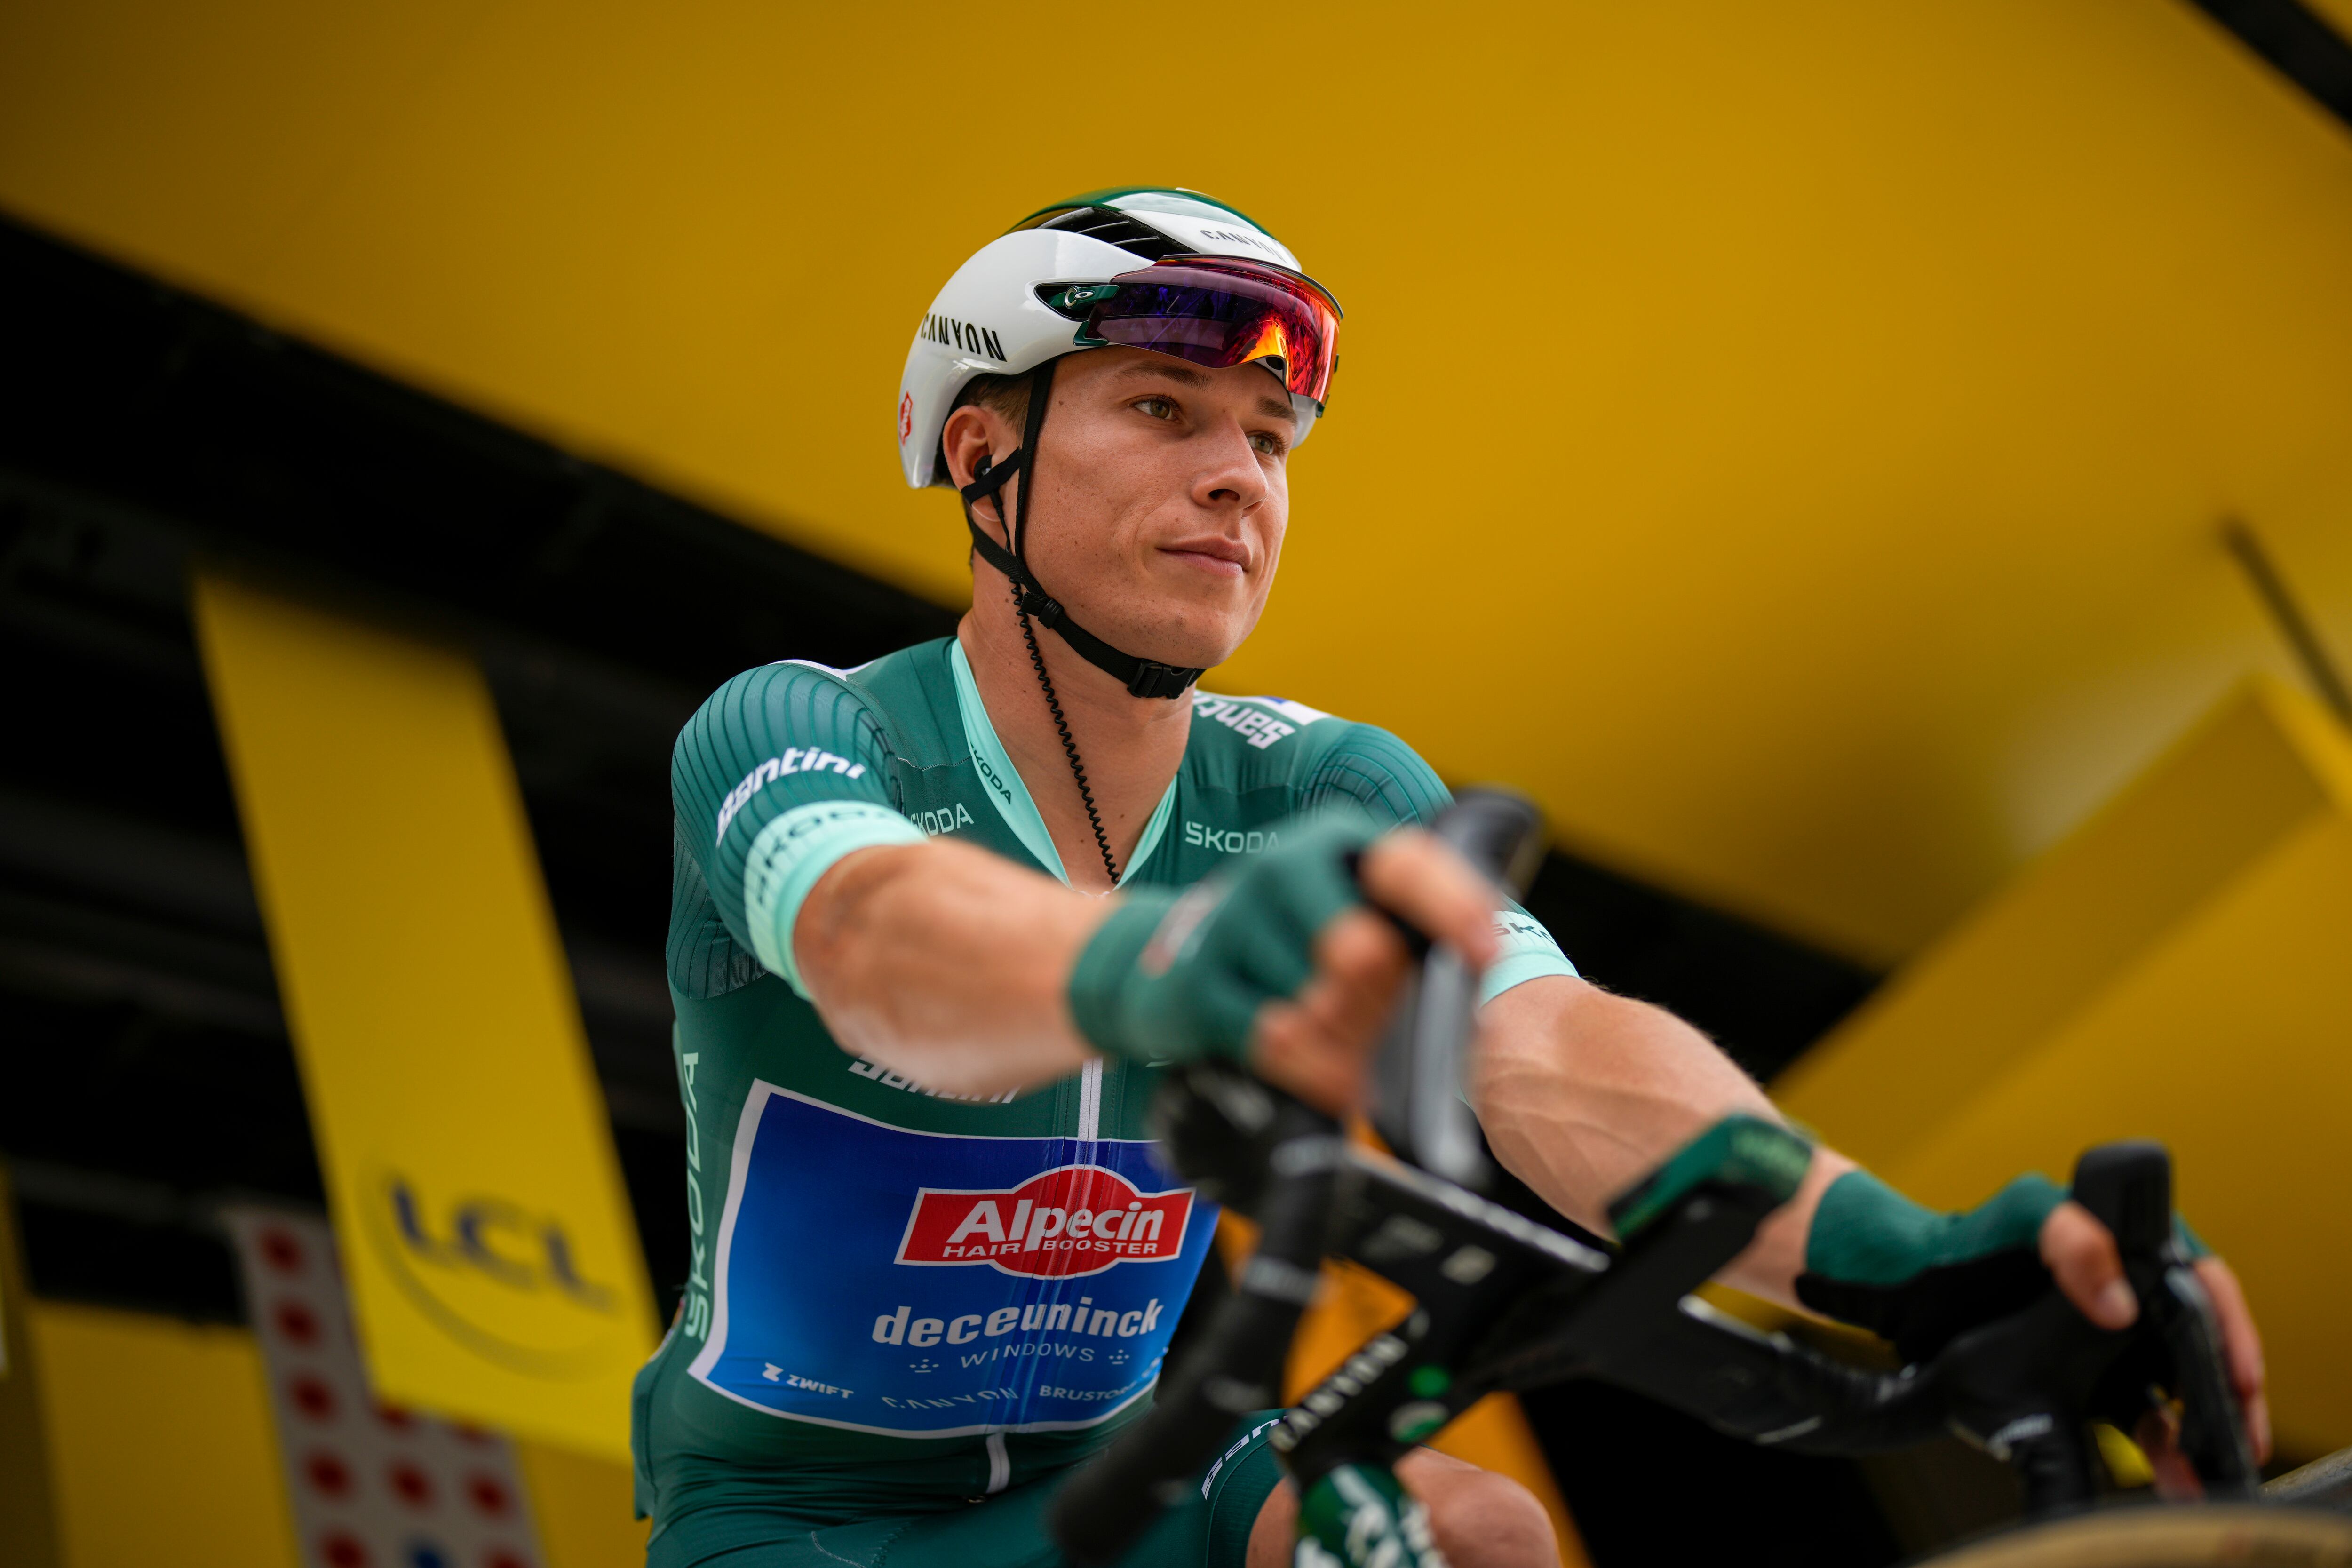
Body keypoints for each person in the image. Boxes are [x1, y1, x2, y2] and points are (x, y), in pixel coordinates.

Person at [631, 188, 2267, 1568]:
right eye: (1162, 410)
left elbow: (1545, 1046)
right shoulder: (798, 727)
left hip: (1116, 1482)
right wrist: (1156, 968)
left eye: (1272, 438)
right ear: (983, 455)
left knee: (1480, 1537)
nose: (1241, 479)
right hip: (787, 1517)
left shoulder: (1318, 786)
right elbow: (878, 945)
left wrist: (1893, 1259)